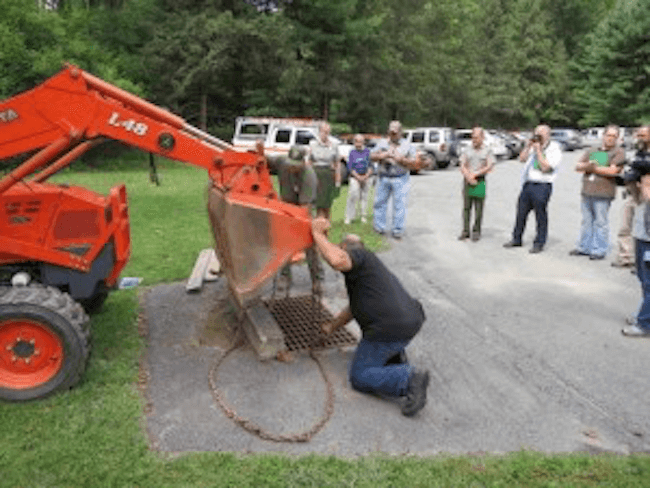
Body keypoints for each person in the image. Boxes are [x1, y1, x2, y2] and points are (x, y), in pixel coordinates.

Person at [311, 216, 430, 416]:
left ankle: (408, 379)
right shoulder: (367, 272)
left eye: (342, 246)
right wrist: (332, 327)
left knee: (360, 376)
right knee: (379, 350)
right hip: (409, 321)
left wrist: (316, 233)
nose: (340, 249)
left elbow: (336, 259)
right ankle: (392, 356)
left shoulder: (358, 255)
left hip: (389, 329)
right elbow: (354, 308)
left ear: (349, 248)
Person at [503, 124, 562, 253]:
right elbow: (522, 159)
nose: (537, 136)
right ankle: (516, 238)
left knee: (540, 215)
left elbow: (546, 167)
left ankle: (539, 242)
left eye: (540, 134)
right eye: (536, 133)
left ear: (547, 135)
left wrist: (539, 151)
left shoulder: (554, 148)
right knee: (521, 213)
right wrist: (528, 146)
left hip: (543, 184)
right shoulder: (533, 145)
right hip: (528, 184)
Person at [569, 125, 625, 260]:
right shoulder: (592, 150)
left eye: (614, 136)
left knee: (600, 222)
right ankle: (584, 247)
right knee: (586, 221)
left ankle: (599, 250)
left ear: (617, 138)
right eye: (608, 135)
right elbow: (578, 166)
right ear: (603, 135)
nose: (610, 138)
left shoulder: (618, 152)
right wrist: (594, 167)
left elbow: (613, 171)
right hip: (587, 190)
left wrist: (591, 167)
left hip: (604, 192)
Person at [276, 145, 320, 291]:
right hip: (286, 207)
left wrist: (296, 226)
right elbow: (263, 161)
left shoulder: (309, 176)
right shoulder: (282, 163)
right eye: (290, 164)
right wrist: (259, 151)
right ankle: (285, 275)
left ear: (303, 163)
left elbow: (304, 208)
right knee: (283, 241)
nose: (291, 168)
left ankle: (316, 278)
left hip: (303, 210)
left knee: (309, 242)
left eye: (295, 166)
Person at [622, 125, 650, 337]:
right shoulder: (640, 157)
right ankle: (645, 314)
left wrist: (644, 185)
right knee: (643, 278)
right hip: (642, 228)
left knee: (649, 280)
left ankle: (645, 323)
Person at [371, 120, 417, 239]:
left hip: (400, 178)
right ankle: (379, 228)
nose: (393, 135)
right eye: (391, 132)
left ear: (400, 132)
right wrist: (382, 155)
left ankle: (397, 230)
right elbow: (371, 156)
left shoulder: (407, 145)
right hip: (383, 177)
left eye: (395, 133)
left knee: (399, 205)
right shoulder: (382, 143)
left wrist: (402, 159)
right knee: (379, 203)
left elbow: (414, 163)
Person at [458, 127, 495, 242]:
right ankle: (465, 230)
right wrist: (468, 176)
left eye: (477, 137)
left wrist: (476, 174)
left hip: (480, 181)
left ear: (482, 138)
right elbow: (462, 164)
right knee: (466, 208)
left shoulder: (487, 150)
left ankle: (476, 231)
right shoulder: (467, 149)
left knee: (479, 209)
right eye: (473, 137)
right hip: (467, 180)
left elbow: (490, 166)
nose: (474, 140)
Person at [308, 122, 342, 223]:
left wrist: (338, 176)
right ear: (319, 132)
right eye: (324, 132)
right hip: (316, 172)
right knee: (317, 200)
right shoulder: (313, 144)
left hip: (328, 173)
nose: (326, 134)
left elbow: (337, 162)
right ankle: (316, 220)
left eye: (328, 132)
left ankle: (326, 221)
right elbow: (309, 161)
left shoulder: (334, 145)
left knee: (327, 201)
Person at [344, 134, 373, 225]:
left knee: (364, 196)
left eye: (360, 141)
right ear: (354, 142)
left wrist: (366, 176)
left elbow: (371, 166)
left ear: (363, 142)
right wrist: (358, 177)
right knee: (353, 195)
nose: (358, 143)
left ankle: (363, 216)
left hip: (366, 176)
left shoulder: (368, 152)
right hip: (355, 176)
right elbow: (350, 167)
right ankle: (349, 217)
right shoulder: (352, 152)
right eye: (356, 141)